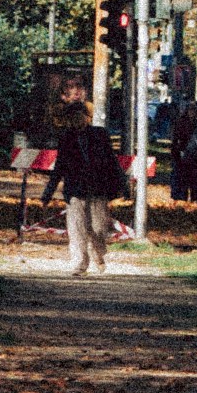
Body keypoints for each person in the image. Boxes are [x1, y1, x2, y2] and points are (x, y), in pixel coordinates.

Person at [53, 84, 127, 273]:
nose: (76, 121)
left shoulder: (100, 135)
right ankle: (79, 262)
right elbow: (60, 166)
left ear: (87, 118)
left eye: (80, 116)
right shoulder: (65, 138)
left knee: (99, 228)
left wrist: (122, 185)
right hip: (75, 190)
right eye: (72, 117)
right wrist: (49, 191)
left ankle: (98, 253)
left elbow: (112, 161)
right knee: (77, 227)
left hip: (98, 189)